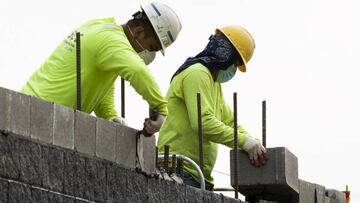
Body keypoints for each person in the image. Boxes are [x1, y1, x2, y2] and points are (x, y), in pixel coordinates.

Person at [21, 2, 181, 135]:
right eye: (151, 47)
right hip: (40, 113)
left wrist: (110, 116)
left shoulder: (99, 26)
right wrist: (161, 109)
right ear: (138, 32)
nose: (148, 53)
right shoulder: (112, 41)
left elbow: (101, 84)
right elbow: (137, 70)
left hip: (32, 107)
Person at [157, 26, 268, 190]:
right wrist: (243, 141)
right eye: (236, 64)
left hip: (196, 173)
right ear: (227, 56)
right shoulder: (197, 74)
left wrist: (253, 143)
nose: (234, 70)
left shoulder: (212, 81)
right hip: (179, 168)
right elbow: (203, 123)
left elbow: (230, 121)